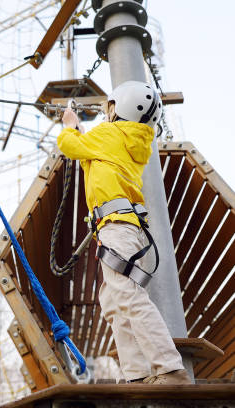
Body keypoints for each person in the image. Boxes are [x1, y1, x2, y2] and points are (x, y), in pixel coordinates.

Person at [57, 81, 191, 385]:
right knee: (116, 301)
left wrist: (68, 125)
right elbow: (90, 151)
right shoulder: (130, 140)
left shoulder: (110, 134)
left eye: (109, 107)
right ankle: (137, 374)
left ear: (117, 108)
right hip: (125, 229)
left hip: (116, 228)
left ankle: (170, 368)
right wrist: (79, 129)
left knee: (128, 296)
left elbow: (69, 146)